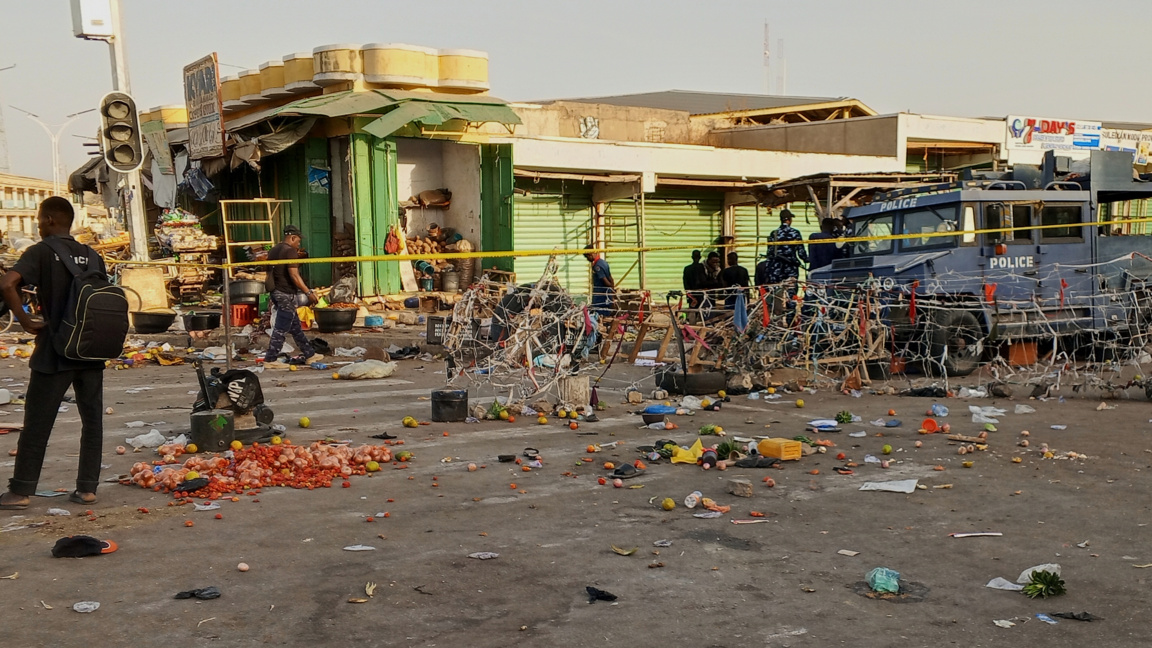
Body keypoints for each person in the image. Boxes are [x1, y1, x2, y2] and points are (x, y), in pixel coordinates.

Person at [0, 197, 107, 509]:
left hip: (55, 350)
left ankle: (20, 491)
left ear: (48, 219)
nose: (36, 223)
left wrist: (23, 319)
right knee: (93, 421)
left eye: (37, 218)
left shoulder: (41, 251)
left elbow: (8, 283)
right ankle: (87, 489)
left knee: (37, 422)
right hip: (90, 349)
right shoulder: (93, 255)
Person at [264, 225, 318, 364]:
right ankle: (271, 359)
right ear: (292, 237)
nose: (298, 244)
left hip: (275, 291)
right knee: (281, 328)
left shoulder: (274, 250)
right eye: (298, 241)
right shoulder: (290, 252)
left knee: (295, 327)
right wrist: (308, 292)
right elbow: (294, 275)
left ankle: (309, 354)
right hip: (285, 293)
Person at [765, 209, 809, 284]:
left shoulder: (774, 233)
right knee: (791, 289)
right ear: (789, 220)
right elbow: (801, 252)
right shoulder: (795, 233)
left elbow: (769, 252)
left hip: (776, 267)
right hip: (791, 266)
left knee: (777, 291)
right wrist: (808, 260)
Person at [584, 245, 615, 314]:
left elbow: (606, 282)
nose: (587, 259)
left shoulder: (597, 266)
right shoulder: (603, 262)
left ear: (590, 255)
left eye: (587, 257)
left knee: (600, 315)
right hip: (606, 295)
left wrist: (610, 290)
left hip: (601, 296)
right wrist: (612, 293)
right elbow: (611, 279)